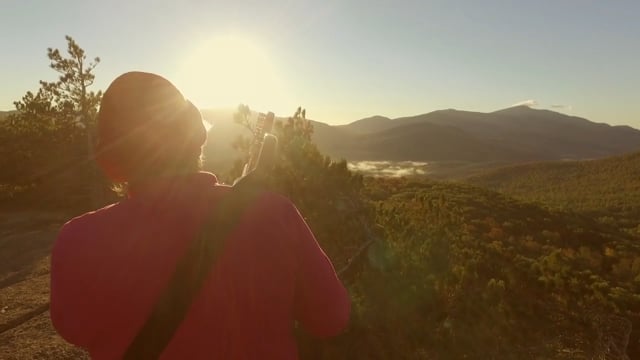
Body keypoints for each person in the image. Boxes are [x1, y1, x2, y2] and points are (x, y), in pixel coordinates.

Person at [50, 71, 350, 359]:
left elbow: (74, 329)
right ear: (197, 140)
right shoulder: (275, 213)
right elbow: (331, 318)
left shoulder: (78, 240)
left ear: (109, 164)